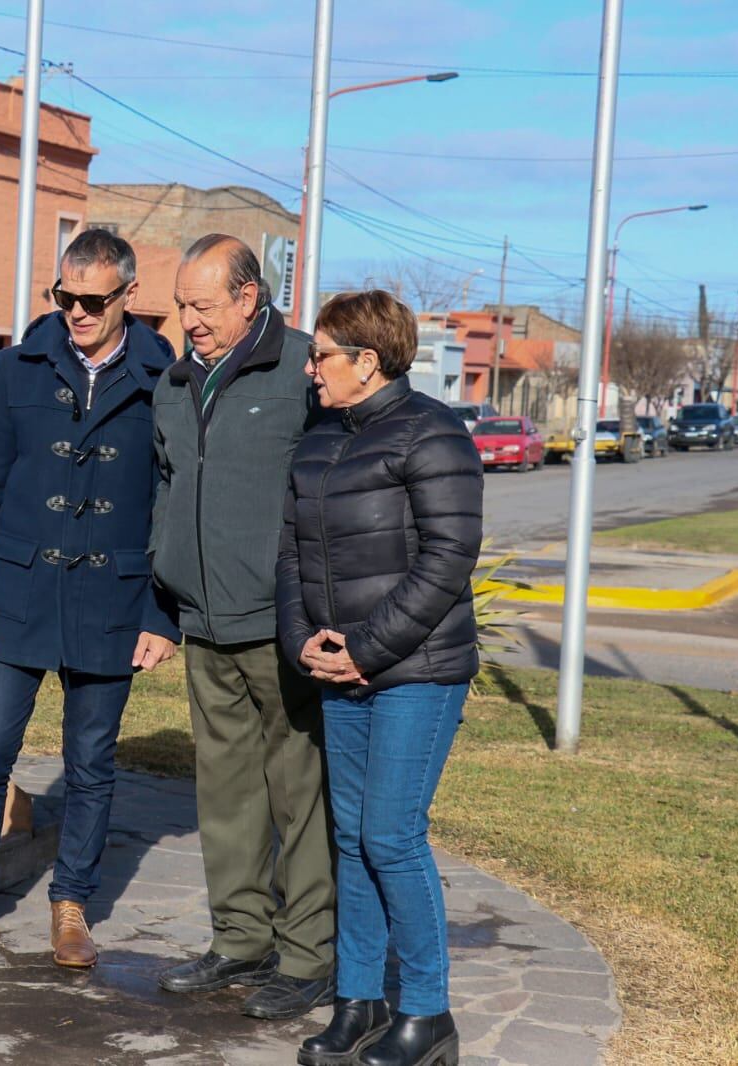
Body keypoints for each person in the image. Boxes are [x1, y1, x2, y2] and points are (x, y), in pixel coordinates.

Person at [0, 229, 181, 969]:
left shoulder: (167, 380)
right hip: (15, 589)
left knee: (91, 762)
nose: (78, 312)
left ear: (129, 295)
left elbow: (173, 501)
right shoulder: (13, 369)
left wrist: (162, 616)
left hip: (114, 599)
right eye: (65, 297)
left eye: (94, 300)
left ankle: (71, 905)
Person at [277, 290, 482, 1066]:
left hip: (415, 674)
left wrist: (364, 648)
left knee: (391, 837)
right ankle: (356, 1001)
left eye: (321, 355)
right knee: (352, 839)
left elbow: (446, 560)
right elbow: (289, 554)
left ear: (366, 362)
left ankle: (427, 1016)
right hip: (338, 669)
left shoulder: (433, 432)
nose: (310, 369)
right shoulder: (318, 437)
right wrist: (306, 643)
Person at [150, 234, 336, 1021]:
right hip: (203, 619)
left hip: (279, 623)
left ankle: (306, 957)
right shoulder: (175, 378)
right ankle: (238, 940)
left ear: (247, 296)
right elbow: (166, 486)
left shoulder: (301, 370)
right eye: (180, 304)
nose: (187, 320)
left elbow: (334, 490)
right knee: (224, 792)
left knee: (299, 793)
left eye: (201, 305)